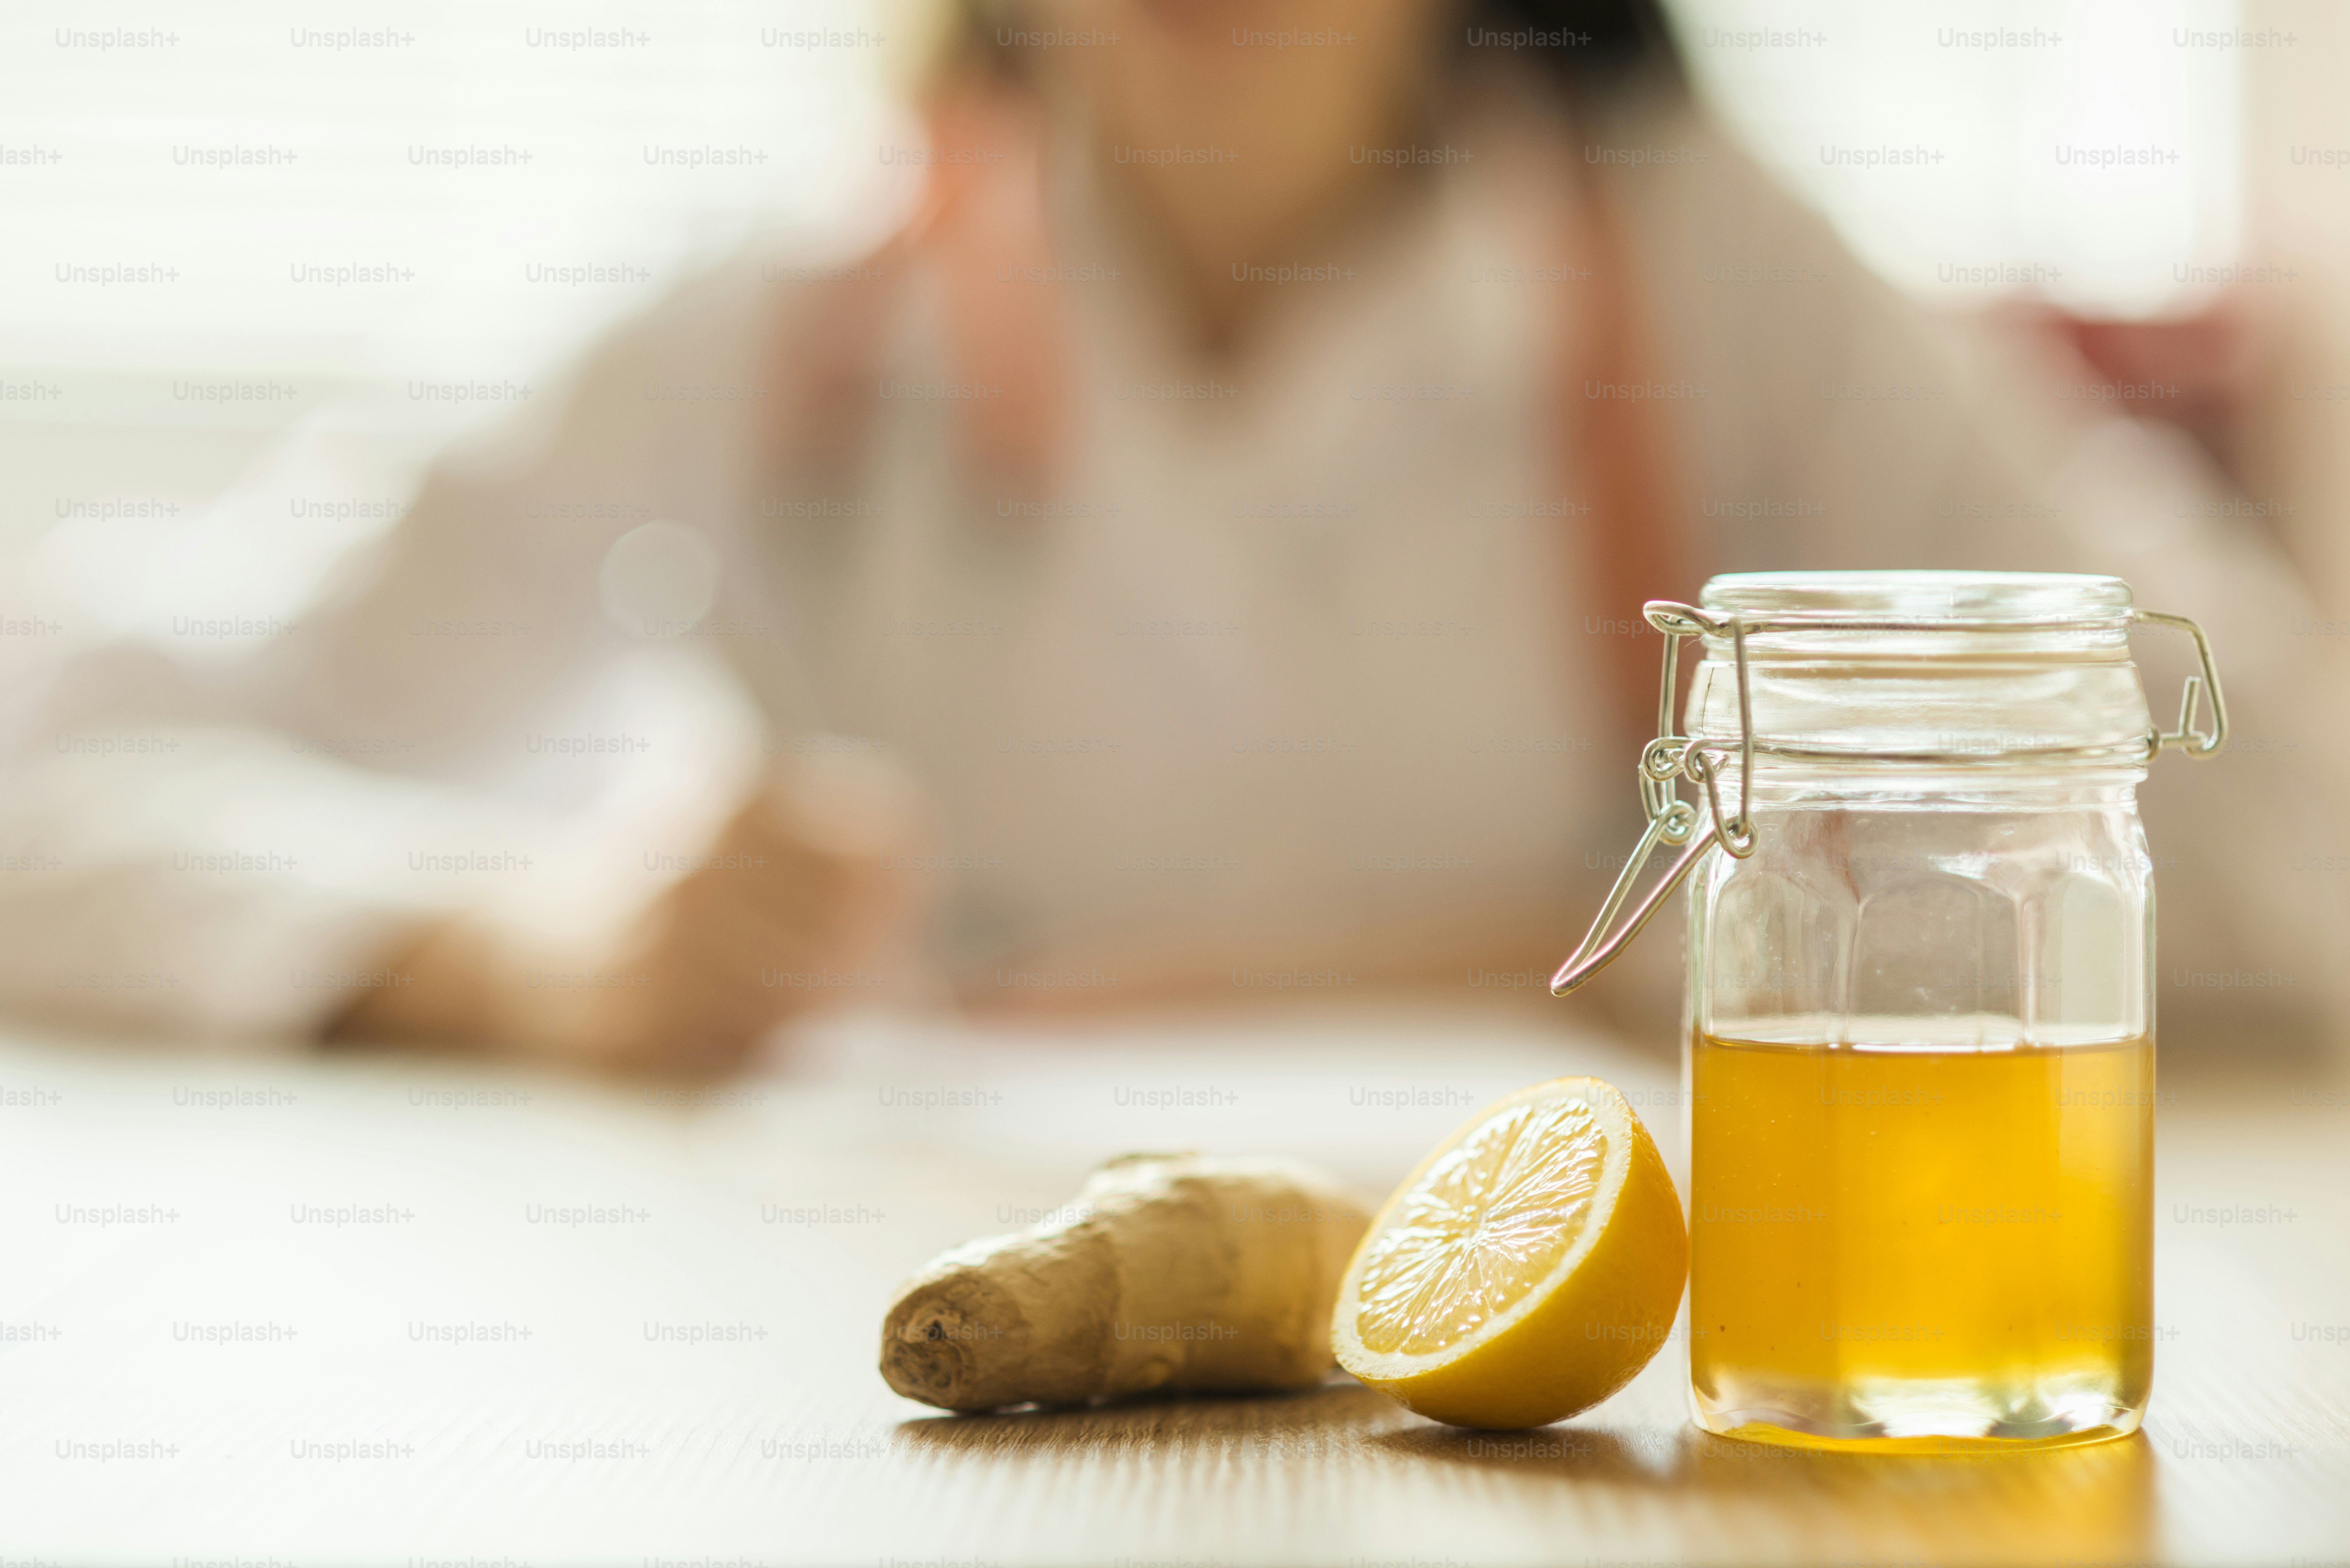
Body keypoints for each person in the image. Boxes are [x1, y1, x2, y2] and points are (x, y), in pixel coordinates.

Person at [3, 0, 2342, 1076]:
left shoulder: (1722, 277)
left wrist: (1695, 909)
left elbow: (2296, 831)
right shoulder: (790, 305)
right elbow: (50, 764)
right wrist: (529, 954)